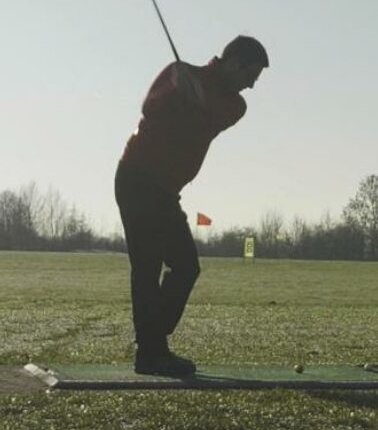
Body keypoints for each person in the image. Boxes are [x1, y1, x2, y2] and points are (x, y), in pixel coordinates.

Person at [114, 34, 268, 377]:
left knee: (186, 266)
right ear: (234, 64)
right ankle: (151, 353)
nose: (251, 86)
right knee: (147, 266)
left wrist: (195, 99)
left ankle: (153, 339)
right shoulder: (179, 72)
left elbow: (210, 120)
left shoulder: (235, 105)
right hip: (137, 178)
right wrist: (176, 91)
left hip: (166, 192)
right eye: (250, 77)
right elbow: (149, 108)